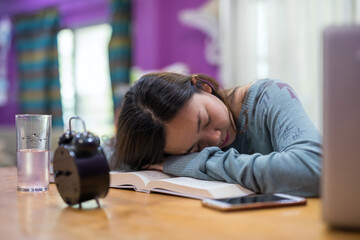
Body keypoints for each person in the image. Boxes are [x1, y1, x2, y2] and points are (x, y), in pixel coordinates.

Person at [110, 72, 322, 197]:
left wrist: (196, 162)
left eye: (206, 120)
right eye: (194, 149)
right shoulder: (164, 148)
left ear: (203, 87)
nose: (215, 139)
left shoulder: (269, 97)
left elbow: (313, 169)